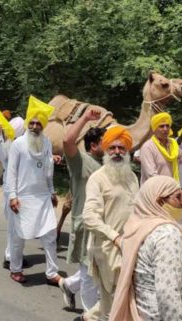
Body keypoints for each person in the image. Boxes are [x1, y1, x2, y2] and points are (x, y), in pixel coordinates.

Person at [110, 176, 182, 321]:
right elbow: (168, 296)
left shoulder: (137, 228)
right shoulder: (167, 235)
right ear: (159, 201)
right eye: (178, 197)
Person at [83, 126, 139, 320]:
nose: (117, 152)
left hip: (130, 248)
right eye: (112, 148)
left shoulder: (132, 177)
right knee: (115, 302)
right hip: (107, 249)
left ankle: (87, 318)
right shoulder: (97, 179)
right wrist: (114, 237)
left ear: (127, 151)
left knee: (124, 299)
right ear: (105, 150)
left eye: (121, 148)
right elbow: (89, 216)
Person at [4, 104, 61, 285]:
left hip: (43, 196)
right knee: (18, 236)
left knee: (50, 235)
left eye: (38, 124)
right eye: (32, 123)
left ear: (43, 126)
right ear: (28, 124)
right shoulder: (18, 144)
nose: (35, 126)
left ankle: (52, 273)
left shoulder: (47, 143)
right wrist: (12, 196)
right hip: (22, 197)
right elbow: (11, 172)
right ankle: (16, 269)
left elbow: (48, 170)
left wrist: (52, 191)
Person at [58, 109, 106, 317]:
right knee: (90, 275)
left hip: (104, 227)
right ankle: (89, 315)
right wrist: (85, 118)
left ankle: (68, 285)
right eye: (106, 141)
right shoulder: (81, 162)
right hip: (86, 226)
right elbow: (68, 141)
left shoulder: (109, 165)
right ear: (94, 145)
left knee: (96, 269)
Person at [0, 117, 25, 269]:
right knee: (14, 226)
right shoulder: (9, 144)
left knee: (18, 226)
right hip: (12, 190)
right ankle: (11, 257)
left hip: (22, 189)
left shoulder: (23, 144)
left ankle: (14, 255)